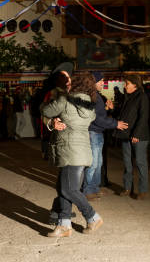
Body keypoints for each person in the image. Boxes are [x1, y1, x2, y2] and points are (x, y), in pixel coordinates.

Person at [41, 72, 103, 237]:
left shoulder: (64, 100)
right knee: (63, 188)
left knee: (69, 190)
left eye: (71, 81)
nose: (68, 83)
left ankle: (92, 217)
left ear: (77, 84)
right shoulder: (90, 103)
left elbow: (45, 109)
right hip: (82, 151)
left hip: (69, 151)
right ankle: (64, 224)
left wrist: (51, 116)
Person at [82, 71, 128, 200]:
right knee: (93, 163)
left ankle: (94, 187)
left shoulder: (96, 95)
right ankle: (88, 189)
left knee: (98, 162)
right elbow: (96, 118)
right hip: (93, 132)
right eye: (101, 81)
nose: (103, 83)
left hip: (98, 132)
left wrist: (107, 109)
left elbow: (99, 115)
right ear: (93, 82)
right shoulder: (92, 96)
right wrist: (115, 123)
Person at [114, 74, 150, 199]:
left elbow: (143, 117)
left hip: (138, 136)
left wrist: (137, 134)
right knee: (127, 163)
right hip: (126, 134)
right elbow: (124, 114)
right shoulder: (127, 97)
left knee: (140, 163)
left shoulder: (142, 97)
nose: (124, 86)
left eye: (127, 84)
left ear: (135, 85)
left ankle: (143, 190)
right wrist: (114, 109)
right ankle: (127, 188)